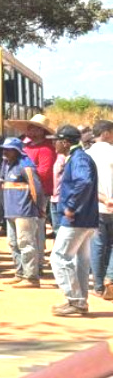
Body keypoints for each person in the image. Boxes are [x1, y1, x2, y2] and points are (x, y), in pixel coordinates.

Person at [50, 124, 99, 317]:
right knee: (80, 261)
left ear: (65, 142)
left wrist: (71, 206)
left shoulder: (78, 159)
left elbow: (84, 181)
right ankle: (79, 301)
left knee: (59, 257)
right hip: (85, 218)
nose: (54, 144)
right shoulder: (78, 157)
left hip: (76, 219)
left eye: (56, 141)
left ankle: (75, 300)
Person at [0, 138, 45, 288]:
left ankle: (31, 277)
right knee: (13, 243)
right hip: (10, 211)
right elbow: (2, 178)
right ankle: (20, 273)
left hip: (25, 211)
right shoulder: (6, 164)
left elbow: (36, 189)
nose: (4, 152)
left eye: (8, 149)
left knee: (26, 244)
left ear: (17, 151)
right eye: (4, 149)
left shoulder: (26, 165)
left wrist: (40, 208)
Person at [11, 114, 57, 232]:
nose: (29, 130)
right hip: (25, 188)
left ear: (41, 131)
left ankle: (39, 247)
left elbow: (45, 172)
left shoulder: (46, 149)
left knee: (37, 220)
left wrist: (24, 177)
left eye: (34, 128)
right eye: (30, 127)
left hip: (39, 189)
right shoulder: (26, 147)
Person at [89, 120, 113, 297]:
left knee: (97, 246)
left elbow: (85, 184)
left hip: (95, 207)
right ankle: (110, 278)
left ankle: (98, 286)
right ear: (106, 133)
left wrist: (103, 199)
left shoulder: (86, 155)